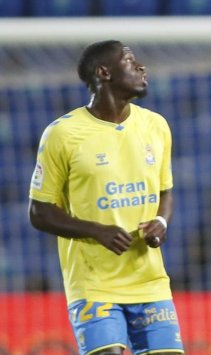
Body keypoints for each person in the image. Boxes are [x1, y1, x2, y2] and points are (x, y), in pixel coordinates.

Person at [29, 41, 184, 355]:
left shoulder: (156, 126)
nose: (141, 67)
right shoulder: (63, 134)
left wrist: (161, 220)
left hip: (149, 280)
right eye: (130, 61)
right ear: (104, 72)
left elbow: (165, 191)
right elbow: (39, 212)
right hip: (93, 283)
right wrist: (97, 231)